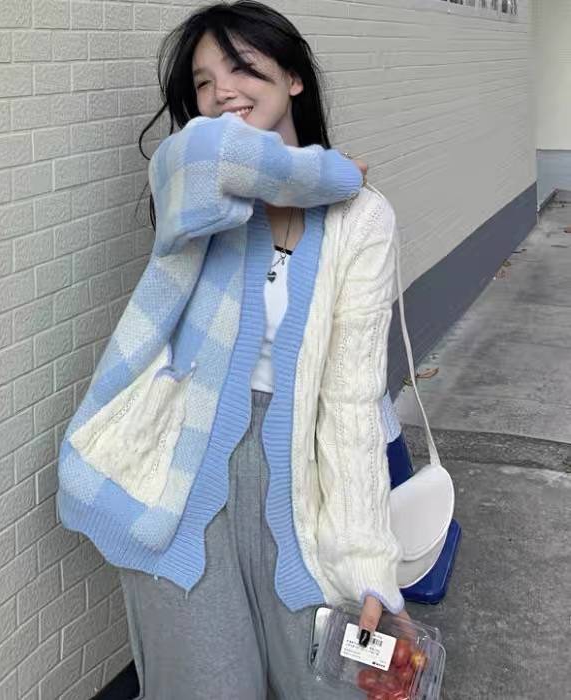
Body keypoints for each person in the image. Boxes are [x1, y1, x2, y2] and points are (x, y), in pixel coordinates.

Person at [56, 2, 409, 697]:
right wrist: (331, 173)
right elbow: (217, 152)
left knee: (336, 678)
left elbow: (350, 400)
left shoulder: (364, 219)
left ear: (294, 78)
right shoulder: (198, 179)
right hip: (184, 473)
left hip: (304, 475)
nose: (222, 91)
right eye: (203, 82)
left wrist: (369, 566)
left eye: (242, 67)